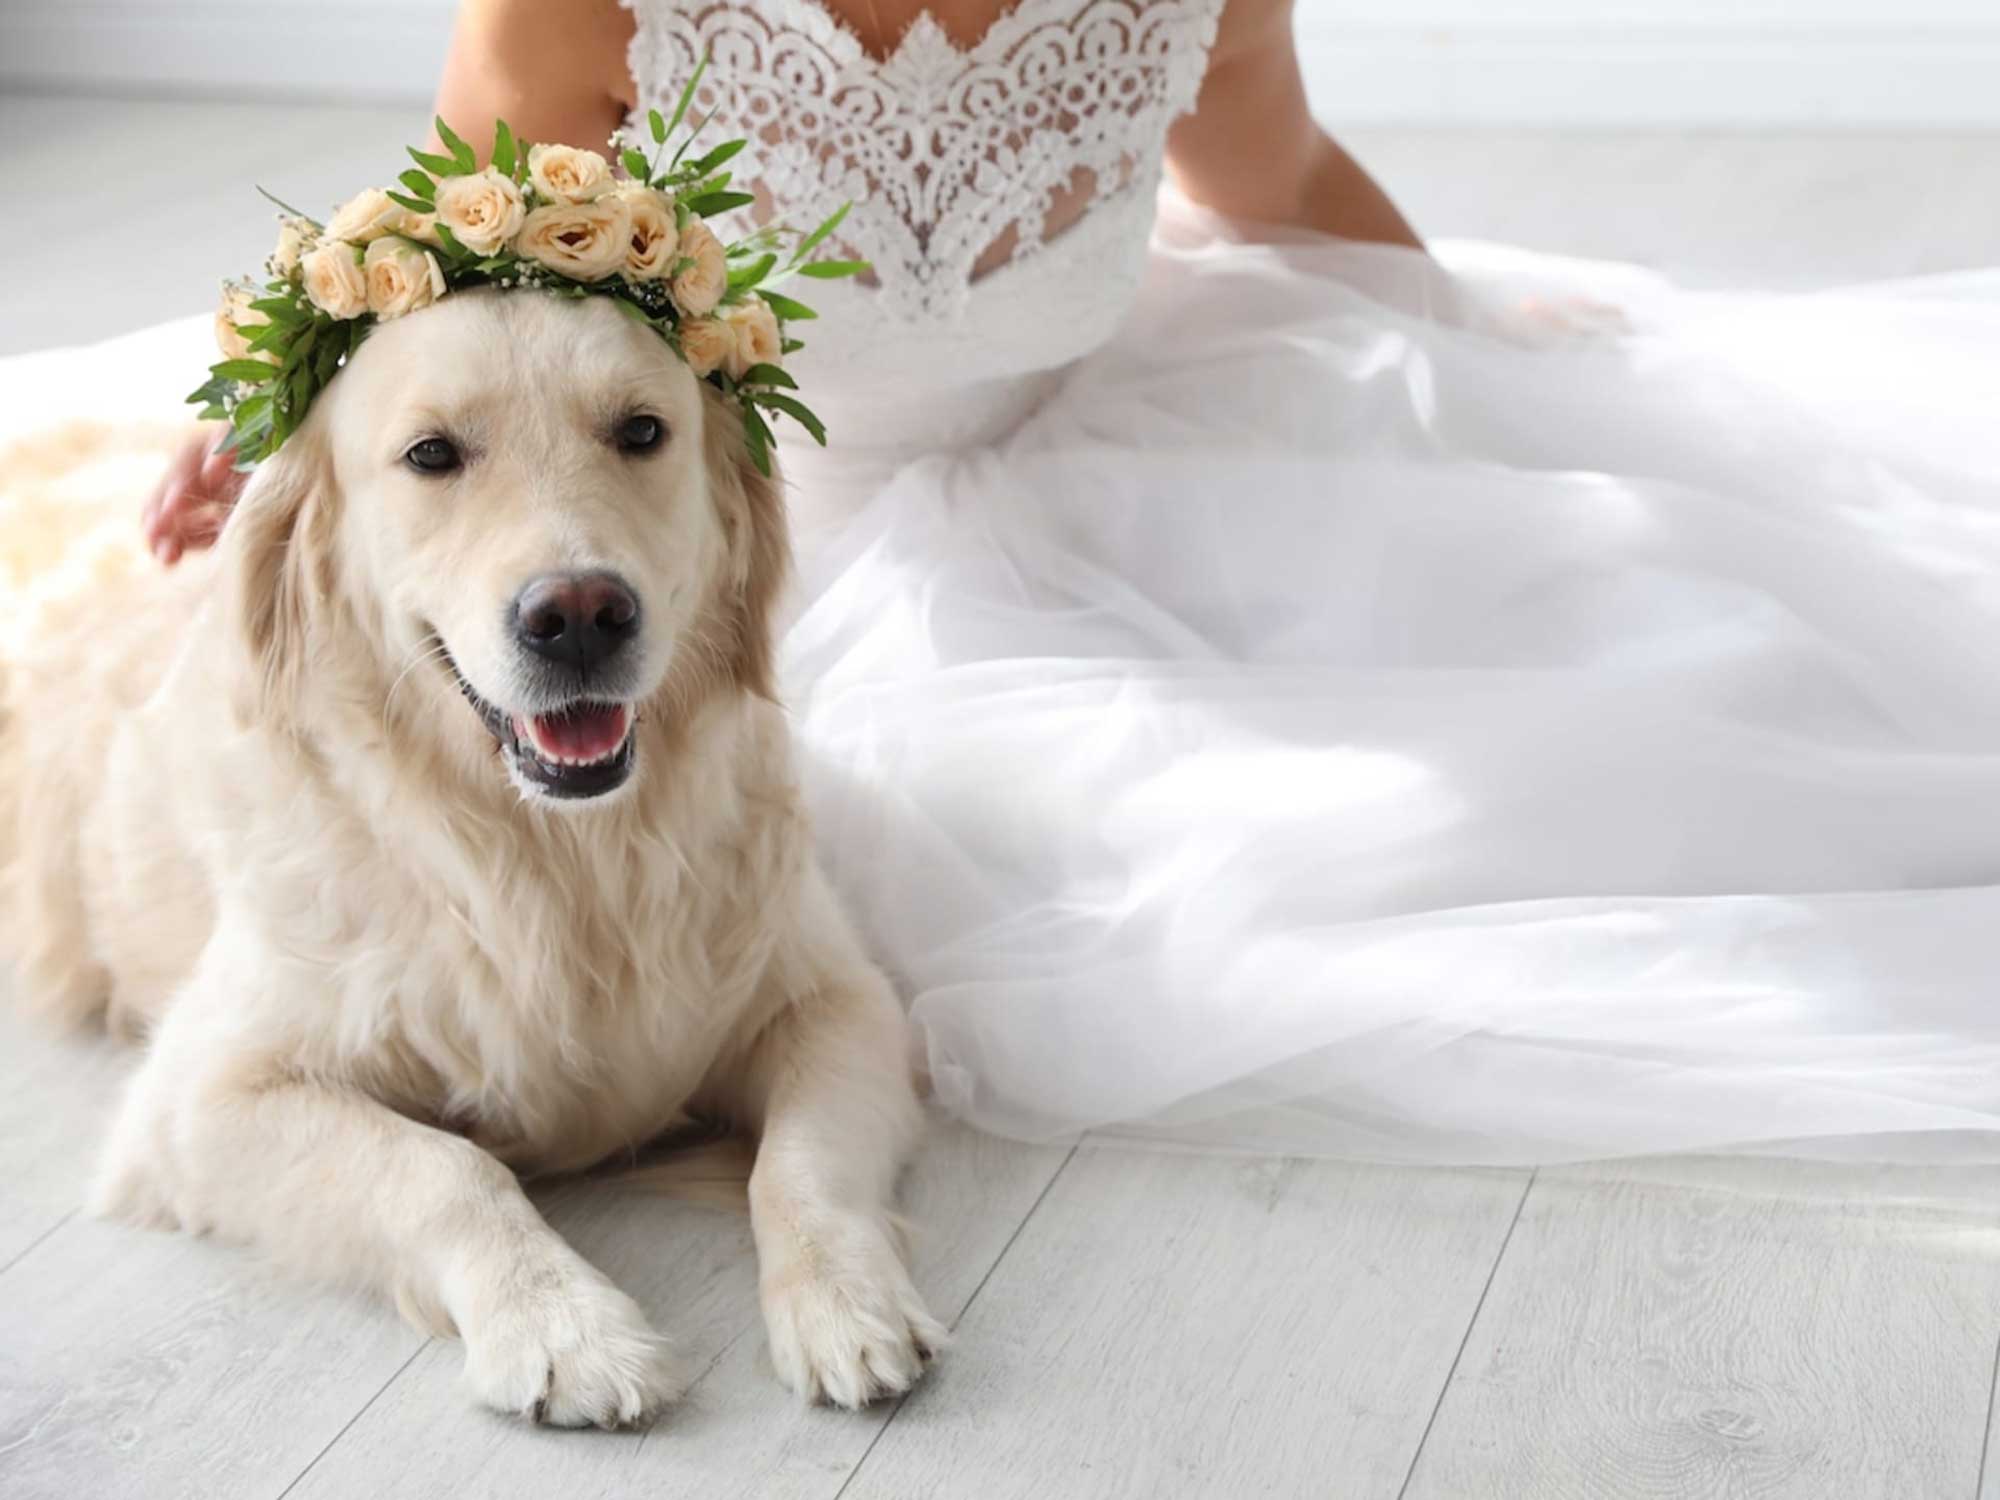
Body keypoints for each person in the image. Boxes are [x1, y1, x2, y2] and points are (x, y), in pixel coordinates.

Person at [89, 0, 2000, 1161]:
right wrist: (306, 404)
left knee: (1569, 692)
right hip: (772, 514)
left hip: (1112, 444)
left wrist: (1465, 330)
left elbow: (1280, 174)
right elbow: (474, 240)